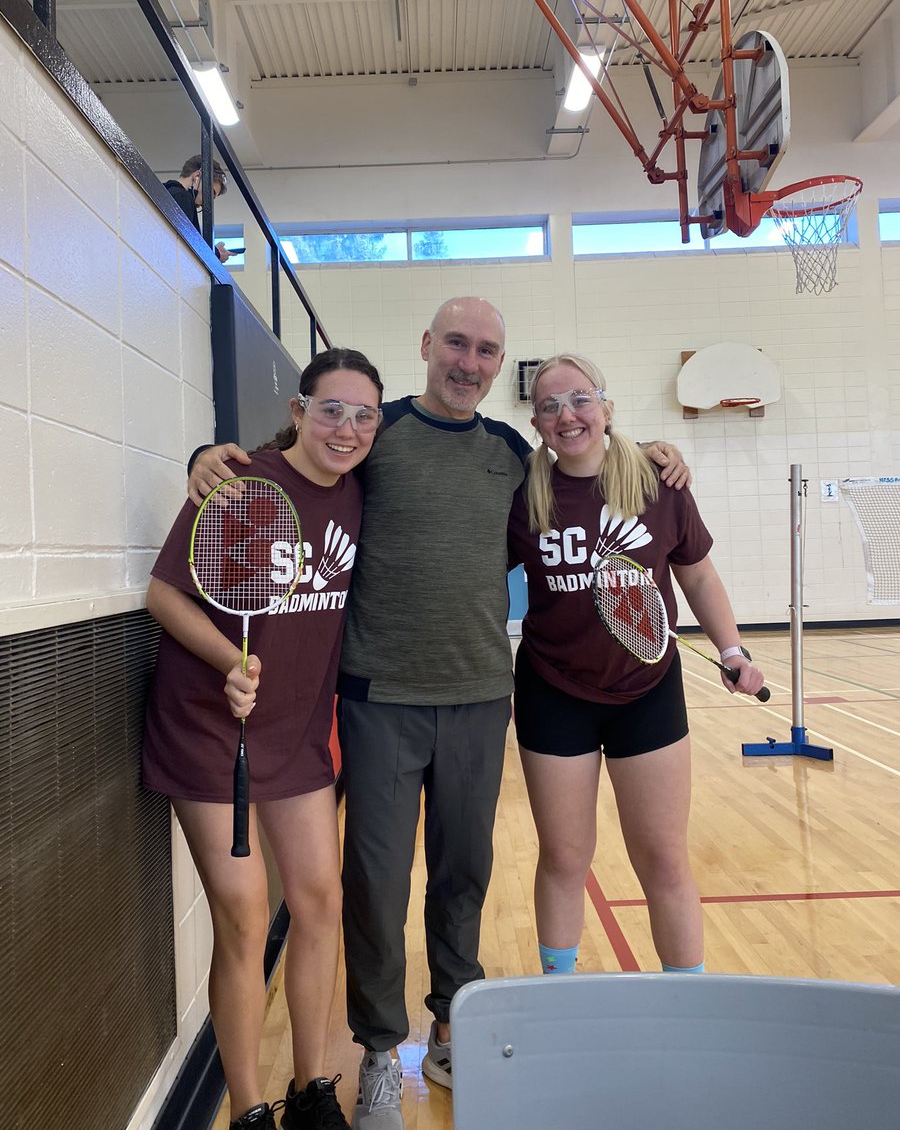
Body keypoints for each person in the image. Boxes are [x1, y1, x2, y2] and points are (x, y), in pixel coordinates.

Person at [187, 299, 690, 1130]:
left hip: (481, 698)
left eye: (487, 350)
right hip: (380, 699)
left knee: (465, 874)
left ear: (501, 366)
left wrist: (658, 452)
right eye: (456, 343)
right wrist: (208, 455)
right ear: (427, 347)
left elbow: (588, 467)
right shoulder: (371, 433)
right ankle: (381, 1050)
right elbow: (285, 463)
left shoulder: (512, 455)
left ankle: (451, 1025)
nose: (469, 360)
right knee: (376, 885)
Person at [144, 348, 385, 1130]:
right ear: (298, 412)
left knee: (320, 903)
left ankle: (311, 1091)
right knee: (247, 916)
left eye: (364, 415)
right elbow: (163, 595)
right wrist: (229, 659)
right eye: (331, 410)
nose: (346, 429)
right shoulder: (241, 483)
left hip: (299, 736)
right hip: (210, 731)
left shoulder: (358, 493)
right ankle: (248, 1108)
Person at [507, 353, 765, 981]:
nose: (567, 415)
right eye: (549, 406)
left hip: (648, 691)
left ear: (606, 406)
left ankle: (689, 998)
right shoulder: (524, 497)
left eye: (580, 399)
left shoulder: (659, 482)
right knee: (565, 857)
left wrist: (732, 650)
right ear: (537, 423)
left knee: (663, 858)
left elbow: (697, 574)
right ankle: (559, 993)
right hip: (553, 692)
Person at [164, 154, 233, 262]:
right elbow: (187, 245)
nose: (208, 202)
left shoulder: (168, 193)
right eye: (211, 194)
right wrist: (216, 254)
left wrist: (215, 251)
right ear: (197, 177)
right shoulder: (182, 197)